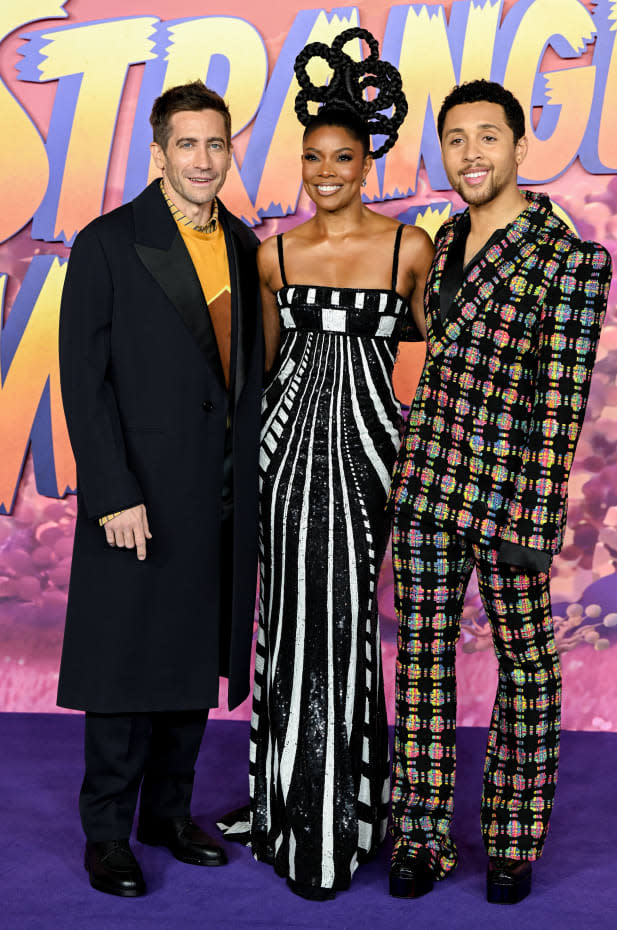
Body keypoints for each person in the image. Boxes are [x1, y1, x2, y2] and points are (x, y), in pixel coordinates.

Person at [218, 28, 434, 900]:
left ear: (368, 158)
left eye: (342, 156)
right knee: (292, 622)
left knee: (342, 628)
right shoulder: (273, 253)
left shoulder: (409, 248)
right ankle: (284, 806)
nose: (326, 171)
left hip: (370, 454)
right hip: (289, 454)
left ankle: (344, 811)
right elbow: (266, 371)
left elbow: (427, 358)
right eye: (313, 158)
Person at [389, 79, 611, 904]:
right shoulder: (440, 243)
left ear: (522, 147)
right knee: (420, 663)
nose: (471, 153)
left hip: (510, 492)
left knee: (526, 666)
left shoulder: (571, 258)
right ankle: (421, 837)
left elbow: (560, 398)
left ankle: (513, 843)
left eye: (488, 136)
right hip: (426, 487)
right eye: (455, 139)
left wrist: (535, 514)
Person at [57, 80, 263, 897]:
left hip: (219, 489)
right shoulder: (108, 242)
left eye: (216, 144)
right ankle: (108, 831)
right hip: (137, 492)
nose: (204, 160)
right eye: (188, 144)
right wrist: (112, 492)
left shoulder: (249, 248)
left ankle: (169, 815)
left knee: (191, 655)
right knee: (122, 661)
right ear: (158, 152)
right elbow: (84, 380)